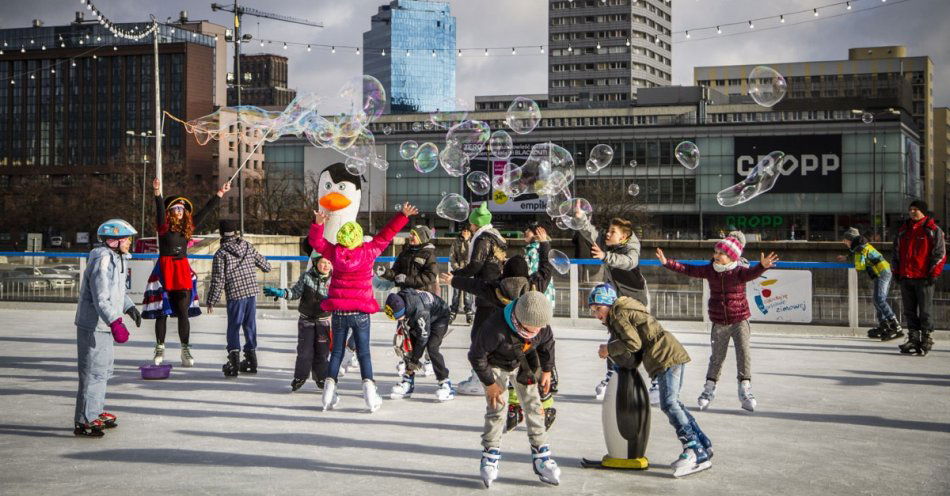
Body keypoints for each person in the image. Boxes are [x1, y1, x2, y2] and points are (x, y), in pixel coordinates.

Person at [587, 283, 712, 478]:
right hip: (669, 353)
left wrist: (608, 349)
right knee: (674, 403)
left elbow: (633, 343)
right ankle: (703, 443)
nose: (596, 314)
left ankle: (693, 449)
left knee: (669, 403)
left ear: (609, 304)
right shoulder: (624, 310)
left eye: (598, 308)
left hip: (665, 356)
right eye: (593, 310)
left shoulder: (619, 314)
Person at [443, 225, 558, 429]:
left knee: (513, 368)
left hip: (507, 341)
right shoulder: (535, 285)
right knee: (534, 372)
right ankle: (546, 406)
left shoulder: (497, 288)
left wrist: (454, 280)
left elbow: (475, 286)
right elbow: (545, 268)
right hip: (531, 339)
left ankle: (514, 406)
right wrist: (545, 243)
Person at [309, 202, 418, 413]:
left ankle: (328, 393)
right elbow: (386, 235)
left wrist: (318, 223)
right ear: (359, 238)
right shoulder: (368, 251)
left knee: (338, 352)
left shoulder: (333, 252)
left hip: (339, 312)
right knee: (364, 354)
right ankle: (369, 393)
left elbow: (316, 242)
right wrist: (402, 216)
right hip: (360, 312)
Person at [657, 237, 779, 412]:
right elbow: (689, 269)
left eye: (721, 253)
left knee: (743, 353)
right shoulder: (710, 270)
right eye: (716, 252)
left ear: (732, 257)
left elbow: (752, 274)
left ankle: (745, 389)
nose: (717, 255)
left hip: (739, 320)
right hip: (719, 321)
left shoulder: (739, 271)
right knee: (717, 358)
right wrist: (667, 262)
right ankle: (709, 389)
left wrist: (762, 266)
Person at [469, 291, 560, 488]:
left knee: (534, 406)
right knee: (497, 408)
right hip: (494, 364)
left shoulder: (540, 325)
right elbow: (476, 356)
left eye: (542, 325)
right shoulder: (495, 328)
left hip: (522, 360)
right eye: (535, 326)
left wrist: (546, 370)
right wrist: (490, 384)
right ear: (520, 320)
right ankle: (490, 454)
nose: (540, 329)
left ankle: (541, 455)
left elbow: (547, 344)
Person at [143, 177, 229, 367]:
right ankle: (160, 347)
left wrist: (220, 193)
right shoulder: (163, 227)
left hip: (181, 270)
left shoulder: (188, 227)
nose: (181, 211)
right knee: (162, 312)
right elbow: (158, 210)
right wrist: (157, 192)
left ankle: (185, 349)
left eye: (182, 208)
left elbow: (206, 211)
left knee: (183, 312)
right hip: (165, 269)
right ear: (170, 212)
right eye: (177, 208)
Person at [73, 219, 141, 437]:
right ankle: (85, 419)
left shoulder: (117, 258)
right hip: (95, 325)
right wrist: (115, 321)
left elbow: (116, 292)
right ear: (115, 240)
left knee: (102, 371)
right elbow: (101, 296)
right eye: (127, 238)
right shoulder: (103, 259)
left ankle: (95, 411)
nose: (130, 242)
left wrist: (129, 307)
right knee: (93, 373)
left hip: (104, 325)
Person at [579, 217, 650, 400]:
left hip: (636, 302)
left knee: (639, 340)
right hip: (617, 300)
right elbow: (592, 235)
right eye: (608, 231)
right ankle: (612, 377)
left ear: (624, 237)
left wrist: (605, 256)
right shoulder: (609, 242)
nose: (608, 234)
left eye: (612, 232)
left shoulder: (632, 246)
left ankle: (656, 379)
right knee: (615, 339)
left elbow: (629, 262)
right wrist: (581, 219)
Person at [453, 202, 508, 395]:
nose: (470, 227)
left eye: (472, 223)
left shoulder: (483, 238)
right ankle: (490, 376)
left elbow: (476, 265)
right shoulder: (497, 238)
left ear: (477, 223)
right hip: (496, 293)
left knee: (479, 336)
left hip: (487, 294)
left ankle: (481, 379)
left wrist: (457, 275)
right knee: (488, 335)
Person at [206, 220, 272, 377]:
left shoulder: (221, 254)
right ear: (235, 232)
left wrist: (211, 300)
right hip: (251, 292)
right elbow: (266, 266)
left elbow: (218, 280)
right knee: (250, 325)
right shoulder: (247, 246)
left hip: (235, 293)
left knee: (234, 326)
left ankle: (234, 362)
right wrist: (263, 266)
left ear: (221, 234)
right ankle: (251, 359)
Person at [264, 252, 333, 391]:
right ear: (315, 262)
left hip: (323, 321)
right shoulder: (306, 277)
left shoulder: (334, 281)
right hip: (306, 321)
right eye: (323, 262)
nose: (326, 266)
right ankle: (300, 376)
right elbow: (295, 293)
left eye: (329, 263)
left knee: (322, 352)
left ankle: (321, 377)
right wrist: (281, 293)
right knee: (304, 351)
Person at [893, 200, 946, 356]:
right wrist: (896, 271)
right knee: (909, 311)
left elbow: (940, 254)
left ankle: (926, 338)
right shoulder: (903, 231)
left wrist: (933, 273)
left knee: (925, 311)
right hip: (906, 276)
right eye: (910, 209)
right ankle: (913, 338)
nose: (912, 212)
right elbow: (896, 253)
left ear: (923, 211)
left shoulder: (933, 230)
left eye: (916, 209)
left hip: (924, 278)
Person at [383, 289, 454, 402]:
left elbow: (422, 339)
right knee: (407, 345)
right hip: (424, 314)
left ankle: (445, 384)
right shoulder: (400, 299)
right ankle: (408, 381)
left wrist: (414, 360)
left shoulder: (420, 312)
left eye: (397, 317)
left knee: (432, 348)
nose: (396, 320)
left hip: (440, 317)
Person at [836, 227, 901, 340]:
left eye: (845, 240)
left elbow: (860, 266)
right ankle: (884, 325)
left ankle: (895, 326)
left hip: (882, 273)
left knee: (880, 299)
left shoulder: (859, 248)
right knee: (876, 300)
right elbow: (857, 255)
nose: (843, 242)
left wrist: (856, 264)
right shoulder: (861, 246)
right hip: (880, 273)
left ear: (850, 240)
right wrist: (847, 257)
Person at [381, 225, 437, 292]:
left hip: (421, 294)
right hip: (405, 293)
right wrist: (385, 272)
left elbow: (430, 277)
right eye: (410, 234)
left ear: (421, 238)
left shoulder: (428, 254)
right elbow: (396, 273)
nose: (410, 236)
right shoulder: (404, 253)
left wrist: (406, 280)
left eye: (414, 234)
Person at [524, 221, 556, 306]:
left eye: (529, 230)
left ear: (536, 234)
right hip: (546, 296)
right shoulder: (542, 248)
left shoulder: (533, 250)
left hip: (538, 297)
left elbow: (532, 273)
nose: (526, 232)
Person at [449, 226, 475, 323]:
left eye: (467, 231)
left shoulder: (473, 242)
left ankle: (468, 311)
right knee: (456, 293)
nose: (465, 232)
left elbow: (471, 254)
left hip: (468, 270)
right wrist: (456, 267)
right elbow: (452, 257)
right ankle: (453, 311)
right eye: (464, 230)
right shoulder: (456, 242)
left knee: (468, 293)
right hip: (458, 270)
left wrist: (467, 240)